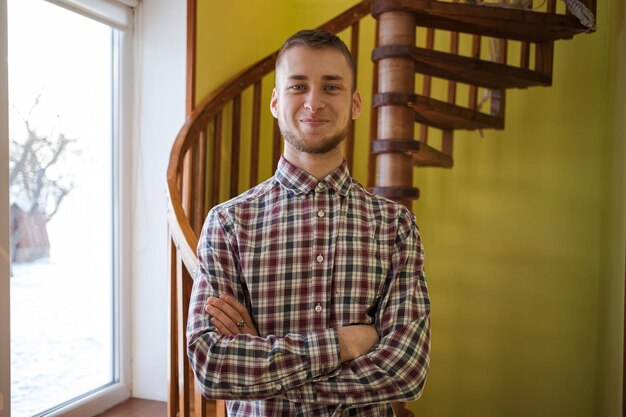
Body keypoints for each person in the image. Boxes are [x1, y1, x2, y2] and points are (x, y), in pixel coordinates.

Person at [186, 29, 430, 417]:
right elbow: (212, 366)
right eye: (298, 86)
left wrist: (266, 369)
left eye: (331, 87)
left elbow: (406, 371)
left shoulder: (395, 225)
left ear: (354, 104)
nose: (314, 102)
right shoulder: (228, 223)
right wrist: (345, 345)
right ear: (275, 101)